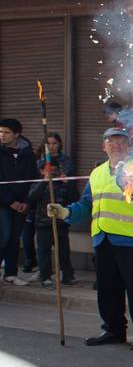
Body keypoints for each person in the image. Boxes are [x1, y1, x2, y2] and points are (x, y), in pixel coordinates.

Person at [49, 128, 133, 349]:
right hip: (103, 239)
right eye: (111, 141)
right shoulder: (97, 173)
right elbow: (87, 204)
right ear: (103, 146)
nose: (116, 145)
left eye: (121, 141)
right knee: (108, 289)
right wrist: (64, 212)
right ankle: (113, 330)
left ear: (129, 146)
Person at [27, 157, 78, 288]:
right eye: (49, 170)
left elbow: (74, 198)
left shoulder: (62, 183)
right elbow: (32, 197)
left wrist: (68, 183)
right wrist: (44, 181)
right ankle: (45, 277)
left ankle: (67, 275)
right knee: (44, 251)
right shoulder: (37, 183)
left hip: (61, 223)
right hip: (43, 223)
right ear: (41, 171)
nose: (52, 173)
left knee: (64, 251)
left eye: (55, 170)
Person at [0, 118, 37, 285]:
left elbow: (33, 180)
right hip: (3, 203)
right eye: (0, 132)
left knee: (15, 238)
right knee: (4, 236)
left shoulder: (28, 154)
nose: (2, 135)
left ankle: (11, 273)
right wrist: (10, 202)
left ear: (17, 134)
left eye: (6, 132)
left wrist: (27, 202)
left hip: (22, 204)